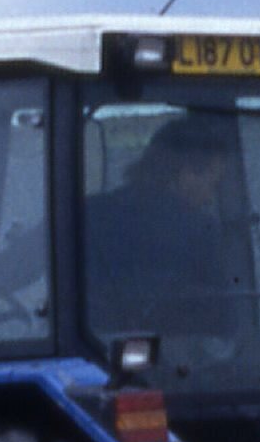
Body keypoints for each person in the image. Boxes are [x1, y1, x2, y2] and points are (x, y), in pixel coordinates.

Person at [87, 109, 250, 353]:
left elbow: (18, 264)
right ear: (185, 173)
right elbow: (225, 325)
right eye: (212, 183)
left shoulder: (89, 212)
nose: (209, 198)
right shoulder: (200, 230)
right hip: (174, 368)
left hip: (96, 356)